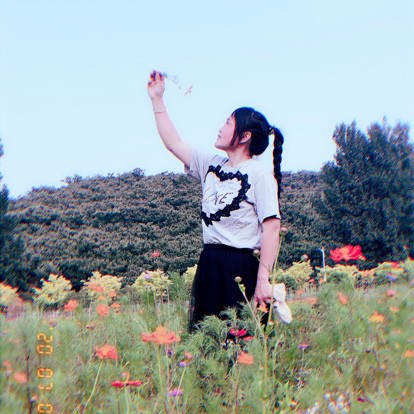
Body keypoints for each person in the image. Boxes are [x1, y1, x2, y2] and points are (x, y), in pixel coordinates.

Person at [147, 71, 284, 331]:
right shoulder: (211, 165)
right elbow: (174, 143)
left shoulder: (259, 174)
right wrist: (157, 98)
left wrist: (263, 279)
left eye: (228, 123)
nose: (221, 128)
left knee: (239, 338)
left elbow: (272, 227)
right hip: (210, 263)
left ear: (245, 136)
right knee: (206, 338)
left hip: (242, 267)